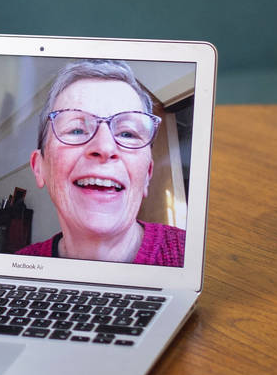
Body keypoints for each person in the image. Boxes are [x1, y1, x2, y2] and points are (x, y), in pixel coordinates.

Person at [15, 60, 185, 266]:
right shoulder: (14, 273)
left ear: (148, 173)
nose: (105, 147)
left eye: (127, 133)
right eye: (76, 130)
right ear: (39, 167)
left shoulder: (195, 258)